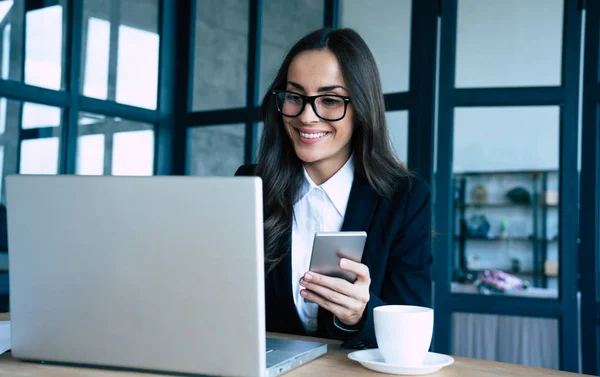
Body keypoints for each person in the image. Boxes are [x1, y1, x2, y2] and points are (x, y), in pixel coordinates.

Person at [235, 27, 432, 349]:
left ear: (362, 108)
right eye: (295, 97)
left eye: (329, 100)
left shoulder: (405, 198)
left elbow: (414, 333)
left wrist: (358, 314)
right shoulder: (250, 187)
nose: (307, 117)